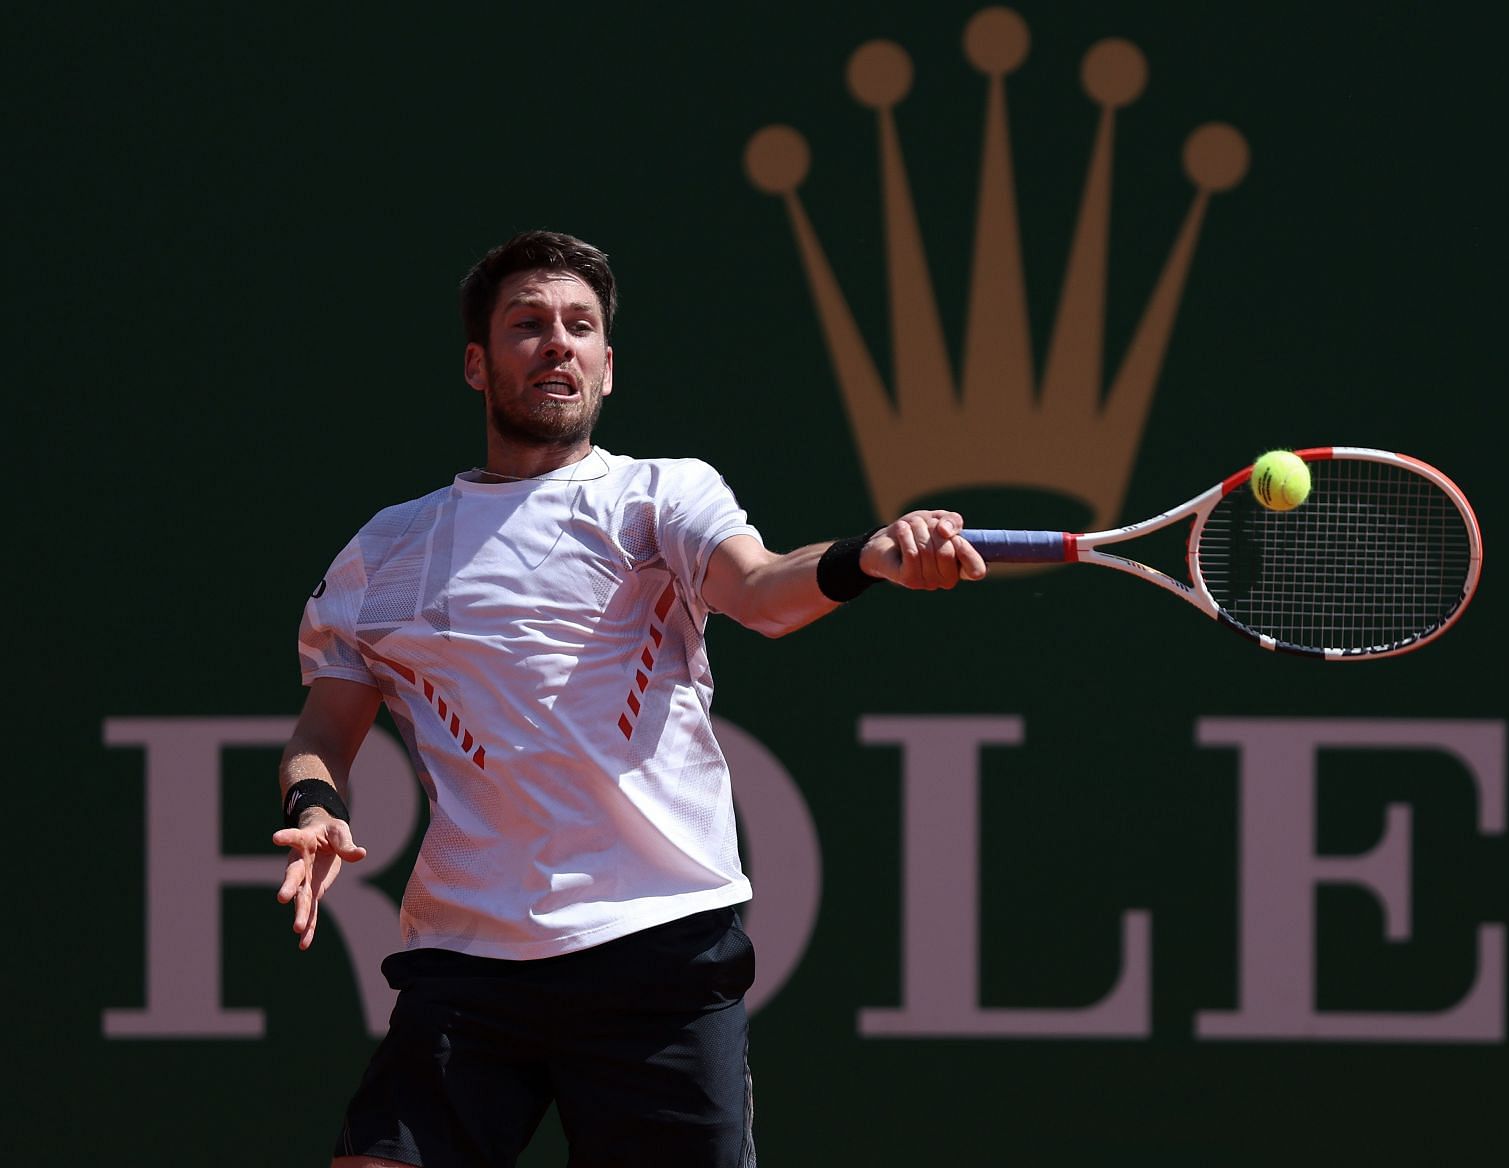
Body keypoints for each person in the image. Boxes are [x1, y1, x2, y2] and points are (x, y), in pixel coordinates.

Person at [272, 229, 986, 1168]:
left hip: (656, 951)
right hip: (470, 958)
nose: (557, 343)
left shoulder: (661, 499)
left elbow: (766, 589)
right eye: (528, 325)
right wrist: (314, 805)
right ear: (478, 366)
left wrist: (867, 557)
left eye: (580, 327)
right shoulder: (389, 551)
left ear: (607, 369)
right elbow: (324, 728)